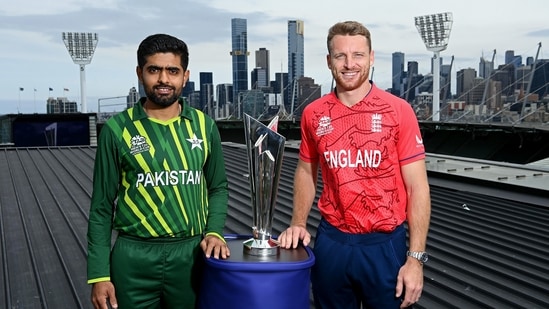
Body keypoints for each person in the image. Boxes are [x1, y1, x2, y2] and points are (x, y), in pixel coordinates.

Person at [278, 21, 431, 309]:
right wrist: (298, 222)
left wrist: (416, 259)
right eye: (340, 56)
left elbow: (418, 187)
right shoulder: (313, 113)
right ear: (329, 61)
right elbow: (306, 170)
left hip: (384, 245)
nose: (350, 64)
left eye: (358, 55)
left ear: (372, 58)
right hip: (332, 241)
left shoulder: (398, 110)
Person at [87, 33, 230, 309]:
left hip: (190, 255)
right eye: (154, 70)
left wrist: (214, 231)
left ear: (185, 76)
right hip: (133, 257)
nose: (164, 79)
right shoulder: (117, 130)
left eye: (172, 71)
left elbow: (218, 187)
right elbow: (102, 208)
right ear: (140, 73)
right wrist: (98, 274)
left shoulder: (204, 126)